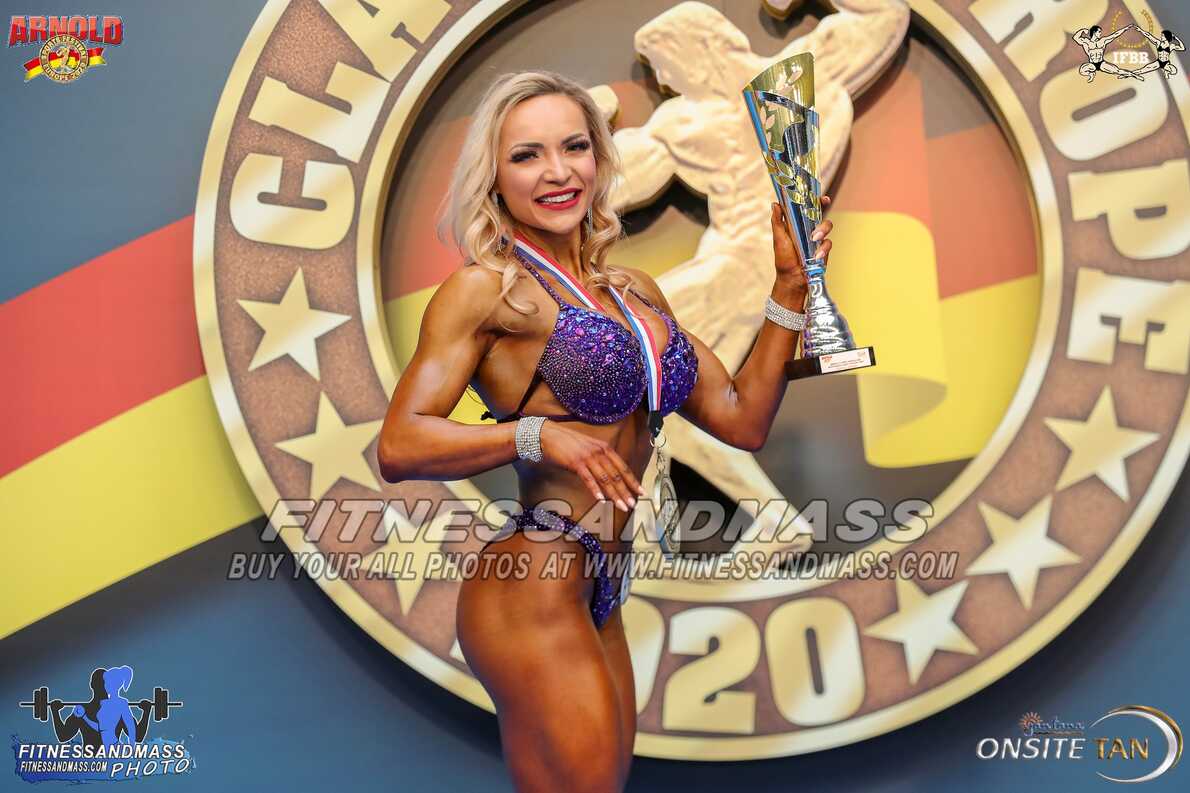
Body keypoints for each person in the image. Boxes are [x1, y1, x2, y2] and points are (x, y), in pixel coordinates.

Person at [377, 70, 834, 793]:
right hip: (531, 585)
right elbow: (400, 445)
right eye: (526, 155)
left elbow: (742, 418)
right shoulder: (485, 289)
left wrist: (789, 289)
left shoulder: (634, 292)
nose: (558, 172)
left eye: (574, 147)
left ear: (599, 156)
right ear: (493, 177)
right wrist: (534, 435)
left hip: (605, 583)